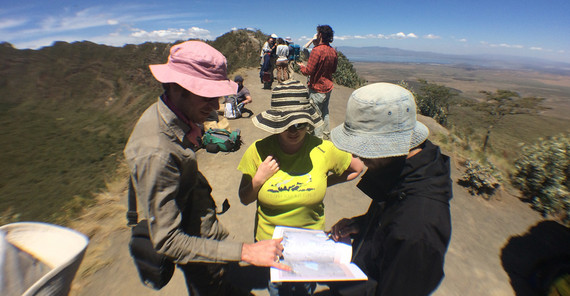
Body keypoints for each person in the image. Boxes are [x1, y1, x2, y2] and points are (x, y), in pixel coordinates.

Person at [124, 41, 290, 296]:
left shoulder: (174, 112)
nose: (215, 106)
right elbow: (168, 241)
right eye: (207, 96)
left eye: (216, 96)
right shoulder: (157, 152)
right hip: (195, 247)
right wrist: (246, 252)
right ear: (177, 88)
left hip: (200, 227)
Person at [237, 80, 364, 296]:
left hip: (311, 247)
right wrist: (259, 179)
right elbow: (244, 198)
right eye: (287, 124)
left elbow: (356, 167)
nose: (294, 130)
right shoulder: (258, 151)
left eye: (300, 123)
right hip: (271, 246)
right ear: (276, 122)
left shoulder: (323, 149)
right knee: (276, 289)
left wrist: (326, 180)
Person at [327, 83, 453, 296]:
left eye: (365, 148)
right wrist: (364, 224)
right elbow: (391, 222)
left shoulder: (418, 231)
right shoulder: (403, 173)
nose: (358, 157)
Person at [297, 25, 338, 140]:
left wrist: (301, 67)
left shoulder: (316, 51)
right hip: (328, 87)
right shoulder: (333, 51)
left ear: (320, 35)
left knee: (315, 115)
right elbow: (334, 70)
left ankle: (317, 139)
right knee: (325, 113)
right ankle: (325, 136)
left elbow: (308, 71)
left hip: (317, 88)